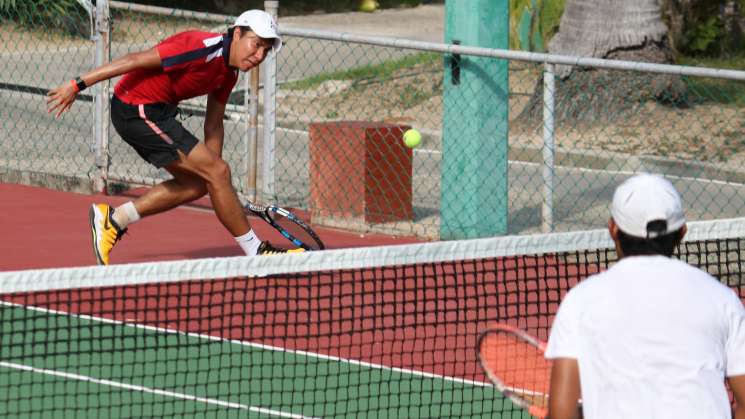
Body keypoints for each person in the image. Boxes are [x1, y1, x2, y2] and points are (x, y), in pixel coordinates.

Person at [47, 10, 303, 265]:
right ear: (237, 34)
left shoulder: (229, 72)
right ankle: (256, 254)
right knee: (215, 173)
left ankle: (113, 220)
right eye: (256, 44)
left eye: (266, 51)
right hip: (135, 109)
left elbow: (213, 124)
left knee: (200, 183)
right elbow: (134, 59)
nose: (259, 55)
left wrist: (218, 181)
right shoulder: (199, 48)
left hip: (157, 113)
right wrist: (77, 85)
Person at [545, 174, 745, 419]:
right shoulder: (724, 300)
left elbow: (560, 414)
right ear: (682, 233)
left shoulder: (579, 302)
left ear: (613, 229)